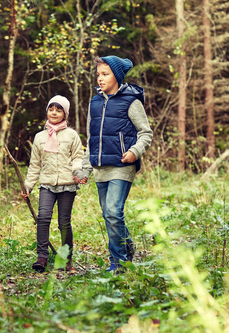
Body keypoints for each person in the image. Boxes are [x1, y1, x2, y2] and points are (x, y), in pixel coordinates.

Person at [82, 55, 153, 272]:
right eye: (98, 75)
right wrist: (85, 167)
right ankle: (127, 245)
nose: (100, 79)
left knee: (113, 211)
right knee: (108, 214)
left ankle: (119, 263)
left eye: (105, 74)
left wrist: (134, 151)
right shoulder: (94, 103)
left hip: (123, 165)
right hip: (100, 167)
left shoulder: (131, 101)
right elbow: (90, 138)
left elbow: (146, 133)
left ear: (117, 76)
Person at [23, 95, 86, 273]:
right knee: (43, 219)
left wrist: (77, 172)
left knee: (64, 222)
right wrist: (28, 185)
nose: (54, 113)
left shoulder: (72, 135)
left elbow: (77, 157)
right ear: (47, 111)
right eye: (51, 109)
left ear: (65, 114)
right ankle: (42, 257)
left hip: (67, 184)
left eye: (58, 110)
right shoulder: (40, 137)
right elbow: (35, 164)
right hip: (47, 184)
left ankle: (66, 258)